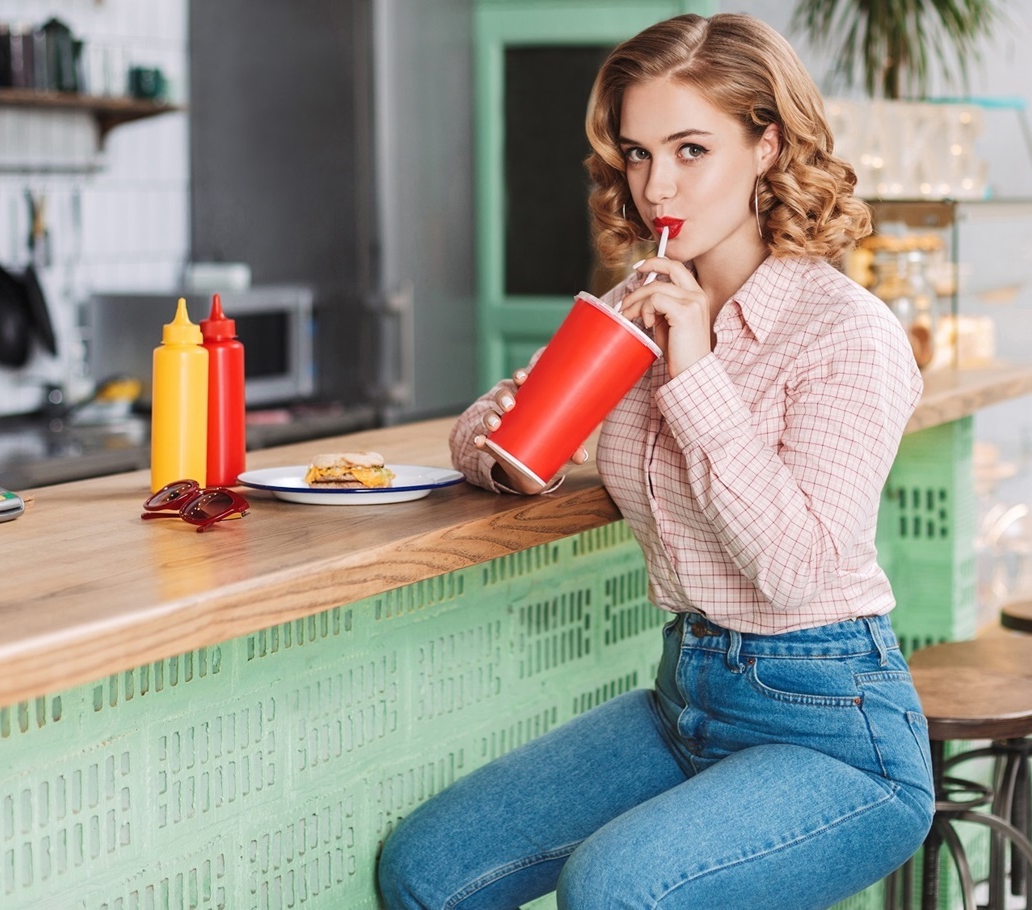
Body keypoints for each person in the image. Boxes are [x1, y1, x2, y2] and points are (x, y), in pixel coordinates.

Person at [378, 13, 931, 909]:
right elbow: (490, 430)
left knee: (612, 890)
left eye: (689, 150)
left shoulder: (844, 332)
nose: (655, 186)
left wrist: (694, 368)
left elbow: (795, 570)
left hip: (834, 726)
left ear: (765, 147)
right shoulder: (638, 306)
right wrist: (512, 443)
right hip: (688, 697)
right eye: (637, 154)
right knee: (426, 871)